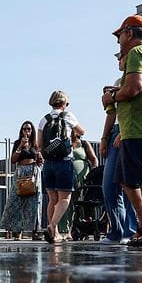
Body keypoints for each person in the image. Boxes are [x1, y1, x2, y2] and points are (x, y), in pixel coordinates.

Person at [103, 14, 142, 249]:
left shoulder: (138, 53)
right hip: (139, 127)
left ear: (129, 33)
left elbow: (134, 88)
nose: (118, 41)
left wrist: (111, 97)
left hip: (140, 126)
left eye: (119, 36)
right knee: (126, 180)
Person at [100, 66, 138, 245]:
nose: (119, 60)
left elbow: (137, 108)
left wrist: (124, 131)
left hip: (130, 130)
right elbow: (112, 114)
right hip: (116, 131)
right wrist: (104, 137)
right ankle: (117, 230)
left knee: (129, 182)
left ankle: (129, 230)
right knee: (109, 185)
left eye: (121, 55)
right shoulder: (117, 84)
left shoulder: (137, 80)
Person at [41, 91, 84, 243]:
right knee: (65, 198)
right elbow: (81, 131)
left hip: (48, 164)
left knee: (52, 199)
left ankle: (54, 232)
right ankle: (53, 225)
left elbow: (40, 144)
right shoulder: (68, 116)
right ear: (64, 103)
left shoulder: (44, 120)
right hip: (64, 162)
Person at [1, 120, 43, 240]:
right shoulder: (17, 143)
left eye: (29, 129)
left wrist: (39, 158)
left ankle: (35, 231)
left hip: (33, 173)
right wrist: (20, 146)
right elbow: (13, 160)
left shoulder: (35, 144)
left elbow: (40, 160)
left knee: (35, 203)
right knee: (16, 201)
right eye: (24, 129)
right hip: (21, 173)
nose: (27, 131)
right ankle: (16, 231)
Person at [58, 131, 97, 237]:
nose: (71, 132)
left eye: (73, 129)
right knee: (67, 202)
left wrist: (92, 175)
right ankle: (65, 230)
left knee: (83, 203)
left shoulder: (84, 143)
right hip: (67, 176)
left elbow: (94, 159)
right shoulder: (65, 143)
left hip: (83, 178)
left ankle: (84, 227)